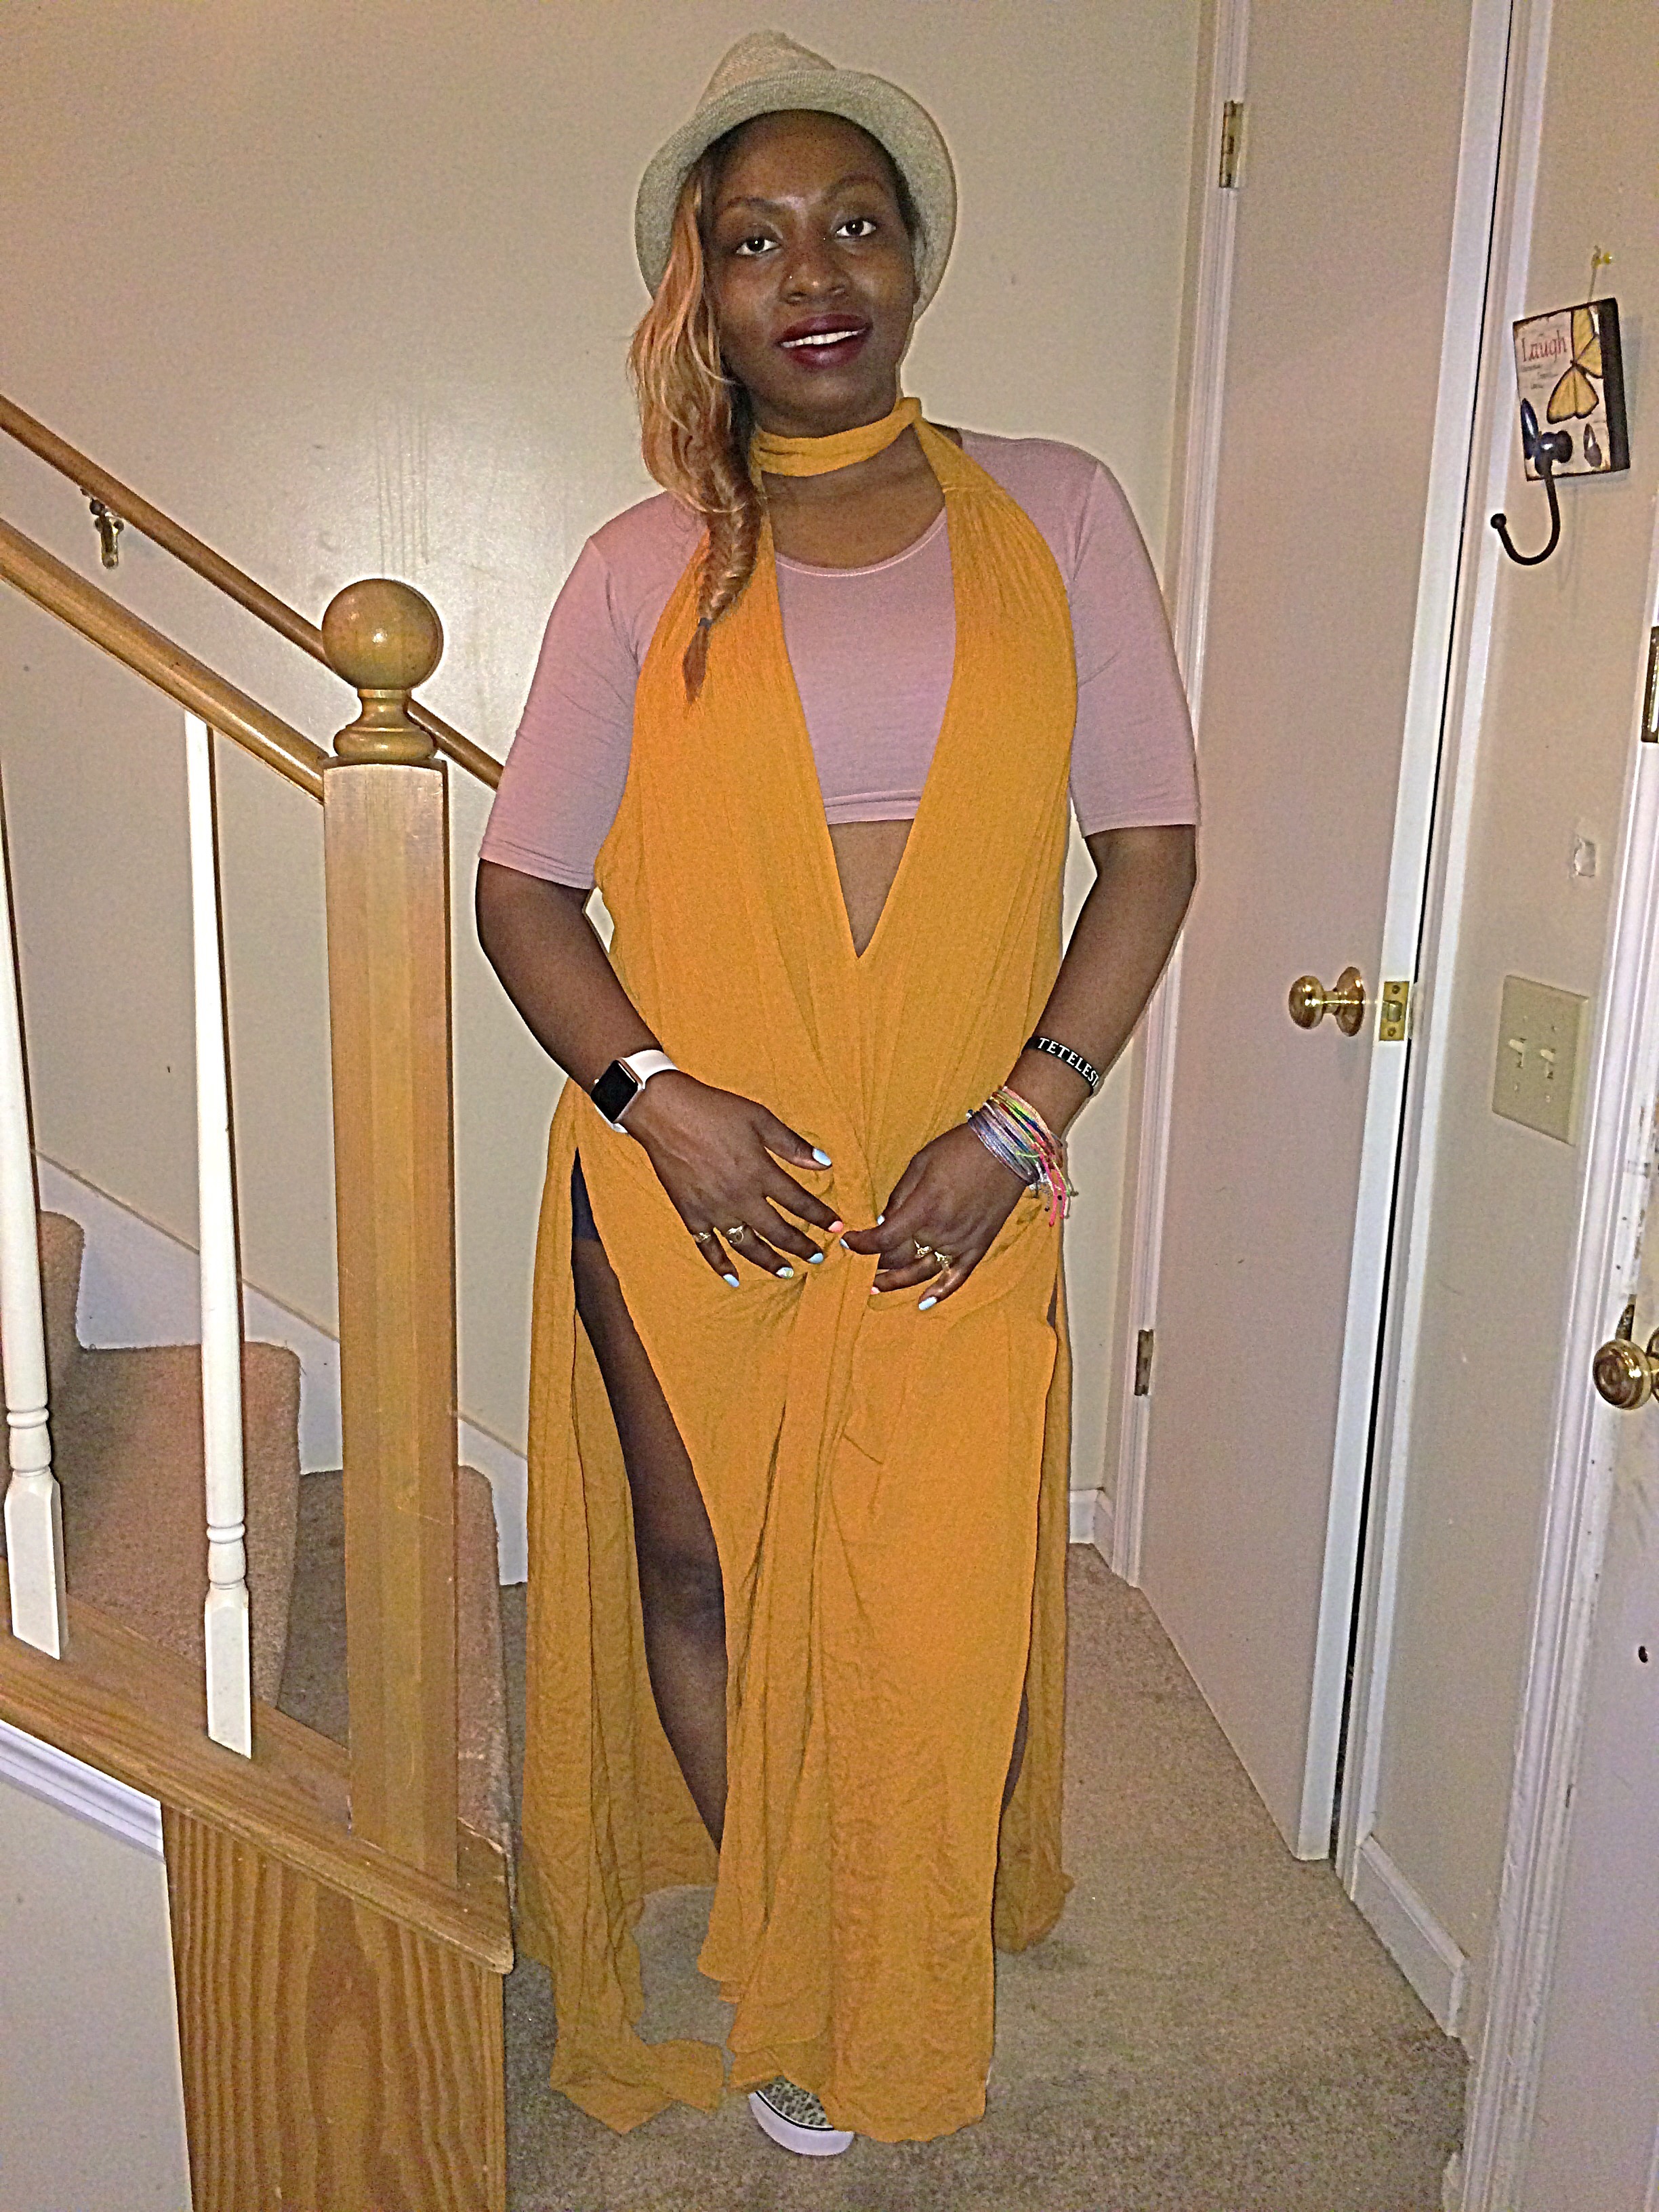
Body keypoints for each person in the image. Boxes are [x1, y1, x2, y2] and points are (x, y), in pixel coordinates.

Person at [476, 29, 1197, 2158]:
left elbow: (1149, 850)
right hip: (696, 1180)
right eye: (757, 238)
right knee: (707, 1572)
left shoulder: (1058, 510)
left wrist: (1023, 1121)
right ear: (699, 291)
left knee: (932, 1599)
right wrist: (658, 1102)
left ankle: (896, 1923)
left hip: (966, 1170)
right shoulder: (641, 563)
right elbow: (523, 889)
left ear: (915, 262)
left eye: (855, 224)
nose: (813, 273)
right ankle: (794, 1967)